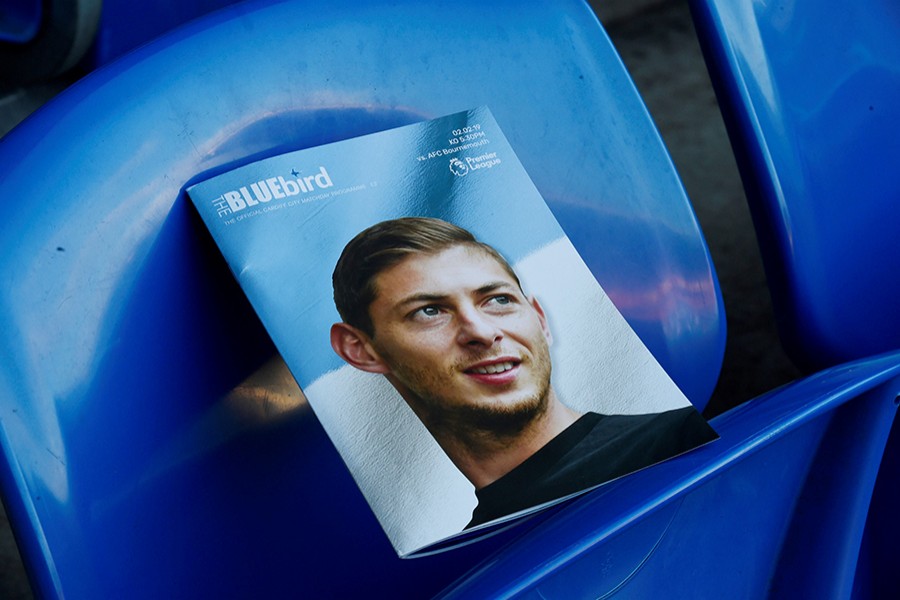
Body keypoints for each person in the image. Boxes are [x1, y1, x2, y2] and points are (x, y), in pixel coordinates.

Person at [330, 217, 717, 528]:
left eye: (498, 300)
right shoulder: (468, 555)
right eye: (429, 311)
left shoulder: (678, 440)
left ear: (540, 319)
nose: (483, 332)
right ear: (359, 350)